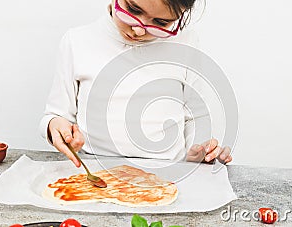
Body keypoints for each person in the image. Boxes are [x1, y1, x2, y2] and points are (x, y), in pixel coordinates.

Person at [40, 0, 233, 167]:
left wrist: (200, 150)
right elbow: (56, 115)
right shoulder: (77, 41)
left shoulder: (186, 43)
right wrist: (54, 125)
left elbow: (194, 116)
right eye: (133, 9)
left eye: (161, 22)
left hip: (168, 173)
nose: (139, 30)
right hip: (91, 173)